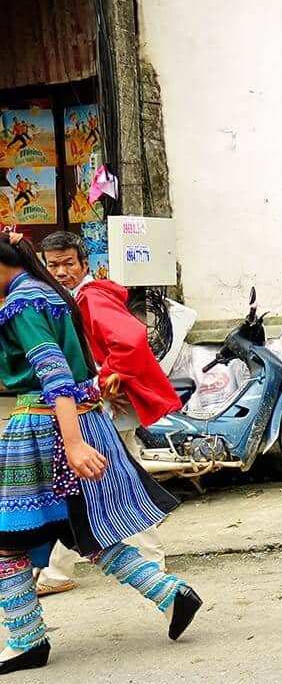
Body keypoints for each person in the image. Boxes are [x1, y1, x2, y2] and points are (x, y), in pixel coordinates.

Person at [0, 231, 201, 675]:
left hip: (46, 428)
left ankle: (25, 639)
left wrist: (73, 442)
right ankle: (169, 594)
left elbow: (53, 374)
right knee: (78, 530)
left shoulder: (24, 303)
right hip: (68, 421)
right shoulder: (45, 293)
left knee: (10, 541)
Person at [34, 231, 180, 597]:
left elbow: (130, 339)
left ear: (85, 265)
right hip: (98, 403)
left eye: (69, 263)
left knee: (108, 480)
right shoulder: (75, 298)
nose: (62, 271)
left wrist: (107, 375)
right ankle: (57, 569)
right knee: (95, 480)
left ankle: (150, 563)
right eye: (54, 265)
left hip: (101, 404)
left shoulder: (89, 297)